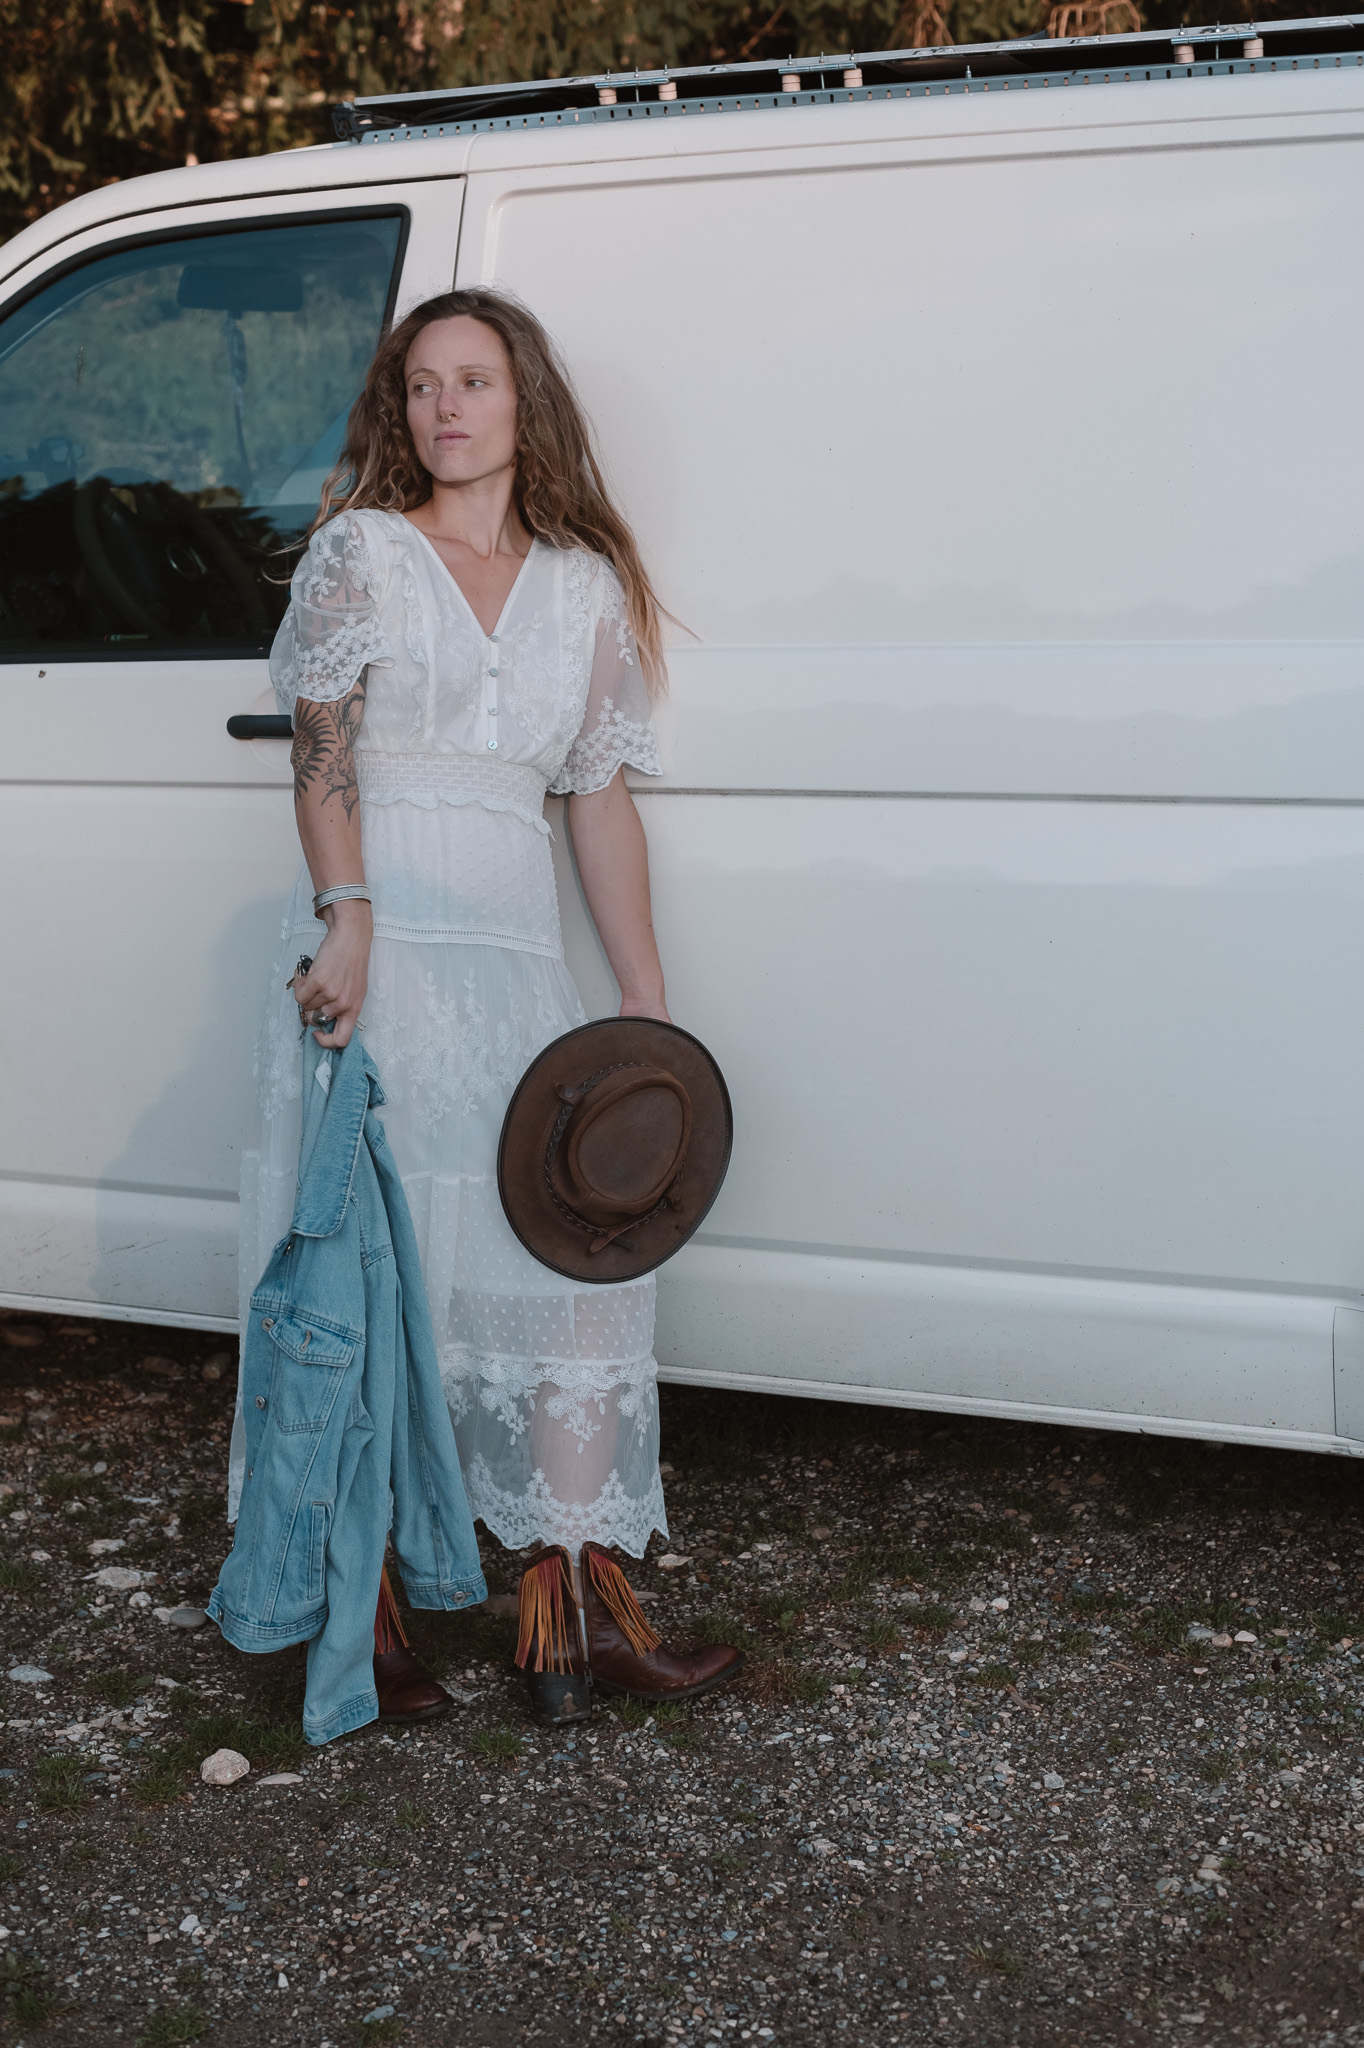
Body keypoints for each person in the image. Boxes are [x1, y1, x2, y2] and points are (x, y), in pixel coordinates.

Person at [233, 288, 743, 1724]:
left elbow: (597, 803)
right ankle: (365, 1615)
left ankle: (570, 1621)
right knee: (376, 1273)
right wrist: (348, 920)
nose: (445, 408)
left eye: (475, 382)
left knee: (573, 1271)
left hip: (518, 971)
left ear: (529, 409)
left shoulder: (580, 588)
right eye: (421, 386)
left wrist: (642, 1010)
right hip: (378, 957)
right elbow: (319, 753)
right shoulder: (360, 558)